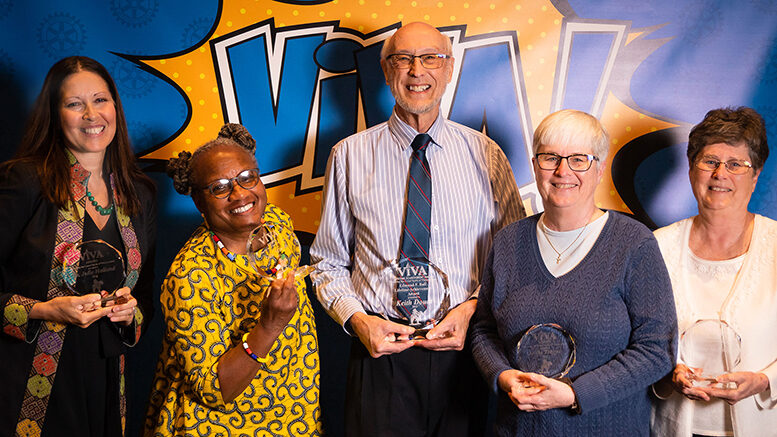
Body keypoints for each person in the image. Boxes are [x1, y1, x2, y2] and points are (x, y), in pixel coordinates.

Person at [310, 21, 526, 436]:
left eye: (430, 58)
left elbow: (515, 259)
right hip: (379, 354)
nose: (416, 71)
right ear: (386, 69)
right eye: (403, 59)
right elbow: (326, 264)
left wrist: (471, 311)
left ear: (448, 69)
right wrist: (358, 321)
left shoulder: (487, 155)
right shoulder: (349, 156)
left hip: (466, 351)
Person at [470, 109, 677, 436]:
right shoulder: (508, 242)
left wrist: (576, 394)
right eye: (550, 157)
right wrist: (502, 375)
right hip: (519, 429)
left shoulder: (634, 244)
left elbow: (657, 349)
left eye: (579, 159)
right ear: (536, 165)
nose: (563, 170)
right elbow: (483, 331)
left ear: (599, 169)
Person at [0, 56, 156, 437]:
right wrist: (41, 309)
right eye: (74, 104)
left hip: (106, 381)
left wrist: (129, 312)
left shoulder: (140, 193)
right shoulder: (23, 182)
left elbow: (146, 299)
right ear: (55, 115)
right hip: (26, 383)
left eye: (100, 100)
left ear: (115, 107)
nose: (92, 114)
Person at [144, 124, 321, 436]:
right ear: (199, 202)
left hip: (294, 416)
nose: (239, 194)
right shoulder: (189, 277)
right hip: (216, 426)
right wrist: (270, 325)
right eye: (220, 187)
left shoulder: (277, 224)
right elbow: (213, 390)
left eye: (246, 178)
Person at [651, 107, 777, 436]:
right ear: (692, 170)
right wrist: (667, 371)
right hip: (673, 424)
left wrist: (766, 380)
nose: (721, 173)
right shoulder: (655, 248)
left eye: (736, 164)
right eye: (710, 161)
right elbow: (635, 342)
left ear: (756, 175)